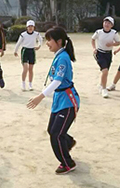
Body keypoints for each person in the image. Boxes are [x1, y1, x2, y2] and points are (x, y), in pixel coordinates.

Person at [27, 27, 80, 174]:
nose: (47, 43)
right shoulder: (59, 55)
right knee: (52, 130)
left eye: (49, 40)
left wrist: (40, 96)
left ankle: (67, 163)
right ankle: (68, 142)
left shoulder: (63, 57)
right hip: (60, 99)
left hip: (68, 101)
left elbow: (57, 81)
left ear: (59, 41)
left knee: (56, 134)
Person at [91, 16, 120, 98]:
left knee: (105, 72)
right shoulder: (98, 32)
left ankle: (101, 84)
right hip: (100, 53)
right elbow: (93, 39)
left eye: (109, 23)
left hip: (108, 54)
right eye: (105, 22)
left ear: (112, 25)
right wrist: (94, 48)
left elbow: (118, 42)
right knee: (105, 71)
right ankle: (104, 89)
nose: (106, 24)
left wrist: (112, 44)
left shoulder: (114, 33)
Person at [14, 20, 43, 91]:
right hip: (25, 50)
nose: (30, 28)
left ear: (34, 27)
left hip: (32, 51)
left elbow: (40, 39)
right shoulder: (23, 35)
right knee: (25, 68)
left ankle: (30, 84)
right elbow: (18, 42)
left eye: (32, 26)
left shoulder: (36, 34)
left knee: (31, 68)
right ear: (27, 27)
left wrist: (39, 46)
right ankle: (23, 83)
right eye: (29, 26)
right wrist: (15, 50)